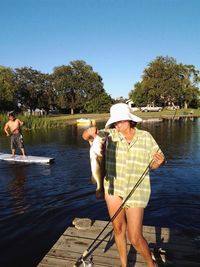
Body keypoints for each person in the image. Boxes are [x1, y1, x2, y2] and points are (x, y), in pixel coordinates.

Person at [82, 103, 165, 267]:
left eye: (121, 121)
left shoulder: (146, 137)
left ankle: (151, 264)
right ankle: (124, 264)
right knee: (118, 229)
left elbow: (154, 164)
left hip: (137, 191)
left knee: (135, 237)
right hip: (113, 188)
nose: (118, 125)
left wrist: (159, 163)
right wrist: (89, 132)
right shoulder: (109, 136)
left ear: (129, 119)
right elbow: (87, 137)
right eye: (115, 122)